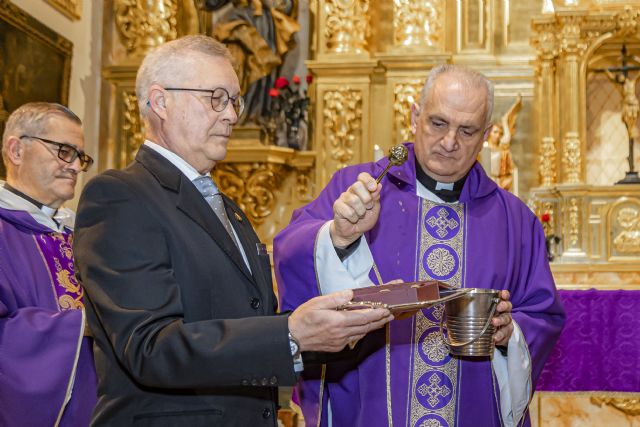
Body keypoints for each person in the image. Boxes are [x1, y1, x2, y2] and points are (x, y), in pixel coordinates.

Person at [72, 35, 392, 427]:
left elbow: (253, 324)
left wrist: (337, 324)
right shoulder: (120, 196)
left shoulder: (229, 210)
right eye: (216, 98)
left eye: (234, 101)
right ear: (161, 102)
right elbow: (150, 347)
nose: (231, 115)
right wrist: (290, 334)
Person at [274, 64, 566, 427]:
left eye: (467, 130)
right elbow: (291, 251)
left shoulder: (515, 221)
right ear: (415, 116)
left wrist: (510, 334)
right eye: (438, 123)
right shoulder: (357, 188)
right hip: (370, 410)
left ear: (487, 135)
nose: (449, 142)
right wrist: (339, 237)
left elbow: (541, 316)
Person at [0, 102, 97, 426]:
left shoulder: (82, 233)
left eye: (80, 156)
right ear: (16, 150)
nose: (75, 166)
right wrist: (84, 324)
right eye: (64, 151)